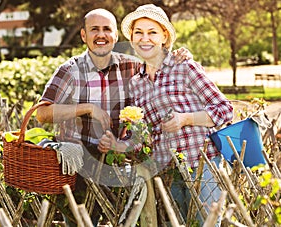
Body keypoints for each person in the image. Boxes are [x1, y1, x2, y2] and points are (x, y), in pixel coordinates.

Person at [36, 7, 193, 227]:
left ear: (116, 36)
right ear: (84, 35)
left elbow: (164, 70)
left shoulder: (132, 66)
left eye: (107, 29)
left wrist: (181, 56)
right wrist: (87, 108)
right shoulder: (69, 70)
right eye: (94, 30)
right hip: (77, 167)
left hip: (118, 165)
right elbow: (42, 113)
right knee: (80, 222)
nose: (101, 35)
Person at [98, 4, 234, 226]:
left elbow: (225, 110)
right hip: (169, 174)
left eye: (152, 32)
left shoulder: (184, 67)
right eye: (139, 33)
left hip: (202, 166)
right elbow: (143, 136)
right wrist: (117, 144)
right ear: (132, 39)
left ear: (164, 36)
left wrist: (185, 119)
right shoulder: (137, 82)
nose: (145, 39)